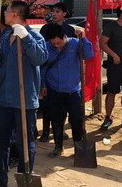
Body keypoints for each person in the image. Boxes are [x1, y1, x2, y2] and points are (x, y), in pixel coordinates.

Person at [0, 0, 48, 187]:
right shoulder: (5, 36)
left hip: (24, 99)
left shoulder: (34, 36)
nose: (4, 14)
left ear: (15, 14)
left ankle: (24, 179)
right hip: (4, 97)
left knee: (25, 142)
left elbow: (40, 58)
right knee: (0, 141)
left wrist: (26, 38)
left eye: (7, 11)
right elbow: (0, 65)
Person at [40, 24, 94, 157]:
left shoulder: (75, 43)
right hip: (54, 89)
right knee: (56, 119)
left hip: (73, 91)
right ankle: (58, 147)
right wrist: (43, 84)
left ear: (64, 37)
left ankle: (78, 148)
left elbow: (89, 54)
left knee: (76, 120)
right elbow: (42, 67)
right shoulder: (46, 47)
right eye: (53, 44)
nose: (56, 46)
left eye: (59, 43)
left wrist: (84, 38)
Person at [38, 2, 76, 142]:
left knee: (63, 105)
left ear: (64, 14)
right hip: (49, 71)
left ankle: (60, 130)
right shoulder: (45, 29)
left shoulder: (69, 30)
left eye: (57, 11)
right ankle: (45, 131)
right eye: (53, 11)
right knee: (47, 104)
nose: (54, 14)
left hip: (65, 74)